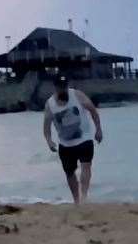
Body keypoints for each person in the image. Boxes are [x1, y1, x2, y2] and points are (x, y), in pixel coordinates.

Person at [43, 75, 103, 205]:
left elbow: (93, 110)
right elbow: (46, 127)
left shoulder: (77, 95)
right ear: (55, 87)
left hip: (84, 139)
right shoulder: (50, 104)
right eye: (60, 87)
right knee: (69, 173)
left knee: (86, 165)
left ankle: (84, 197)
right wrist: (49, 141)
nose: (63, 89)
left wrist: (98, 130)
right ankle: (77, 200)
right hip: (65, 144)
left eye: (65, 86)